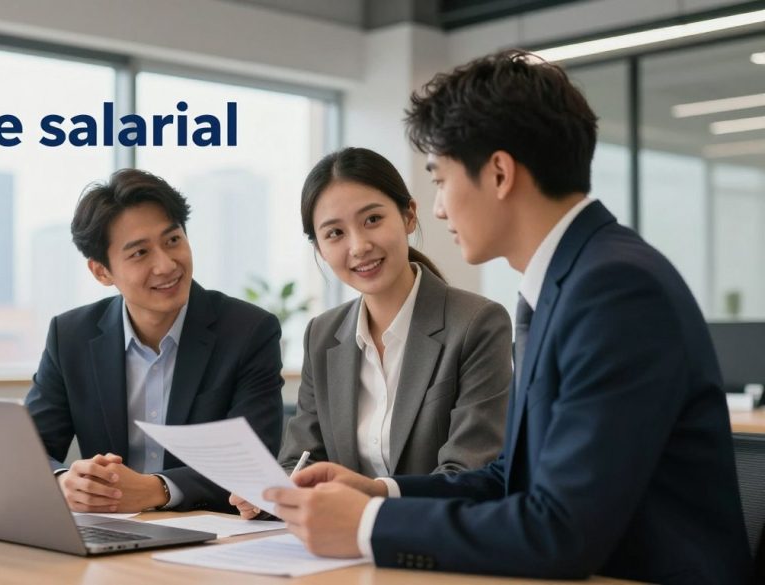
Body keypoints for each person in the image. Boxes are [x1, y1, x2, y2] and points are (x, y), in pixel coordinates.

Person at [263, 50, 753, 585]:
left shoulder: (614, 289)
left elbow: (561, 532)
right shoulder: (566, 281)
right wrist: (378, 492)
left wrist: (369, 526)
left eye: (441, 178)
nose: (441, 208)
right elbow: (507, 479)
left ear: (498, 173)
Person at [230, 147, 511, 519]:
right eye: (334, 233)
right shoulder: (323, 334)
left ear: (409, 216)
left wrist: (373, 498)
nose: (359, 246)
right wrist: (271, 493)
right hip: (337, 551)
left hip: (431, 543)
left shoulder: (477, 323)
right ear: (319, 248)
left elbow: (470, 475)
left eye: (373, 219)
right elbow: (301, 458)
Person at [25, 168, 284, 513]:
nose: (166, 265)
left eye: (173, 240)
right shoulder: (71, 335)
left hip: (209, 536)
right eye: (139, 253)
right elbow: (27, 449)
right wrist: (62, 481)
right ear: (101, 271)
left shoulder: (248, 331)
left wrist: (159, 489)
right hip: (111, 532)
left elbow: (254, 460)